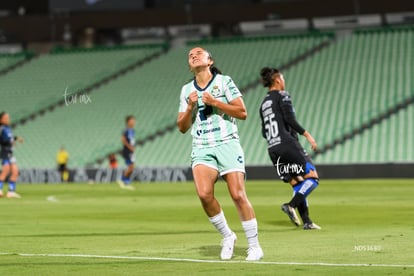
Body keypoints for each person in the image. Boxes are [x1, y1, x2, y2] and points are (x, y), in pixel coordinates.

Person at [177, 47, 263, 261]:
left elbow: (242, 113)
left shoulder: (224, 82)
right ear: (190, 66)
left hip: (227, 143)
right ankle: (228, 235)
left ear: (210, 60)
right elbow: (182, 126)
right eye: (190, 55)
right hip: (202, 146)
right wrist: (189, 107)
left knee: (237, 194)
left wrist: (215, 102)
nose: (194, 55)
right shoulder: (186, 89)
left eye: (199, 53)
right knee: (204, 195)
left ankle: (254, 246)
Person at [259, 67, 321, 230]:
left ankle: (307, 221)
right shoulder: (282, 96)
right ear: (278, 80)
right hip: (287, 144)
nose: (284, 82)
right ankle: (291, 205)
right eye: (283, 79)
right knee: (312, 178)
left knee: (298, 184)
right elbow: (290, 119)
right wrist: (307, 135)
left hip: (273, 149)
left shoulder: (263, 104)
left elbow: (264, 132)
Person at [0, 112, 23, 198]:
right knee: (5, 171)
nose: (8, 119)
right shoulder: (1, 128)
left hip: (10, 153)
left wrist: (16, 139)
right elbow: (3, 140)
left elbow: (10, 138)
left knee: (15, 172)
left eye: (8, 117)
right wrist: (10, 142)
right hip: (5, 152)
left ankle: (11, 191)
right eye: (6, 117)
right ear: (1, 119)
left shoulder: (8, 128)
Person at [117, 115, 136, 190]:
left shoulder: (132, 130)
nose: (133, 122)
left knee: (131, 167)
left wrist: (133, 147)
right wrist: (130, 147)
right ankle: (122, 180)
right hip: (127, 151)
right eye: (132, 120)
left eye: (134, 121)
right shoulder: (126, 130)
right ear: (128, 122)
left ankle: (126, 181)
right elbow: (123, 139)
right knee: (131, 167)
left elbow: (132, 141)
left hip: (131, 151)